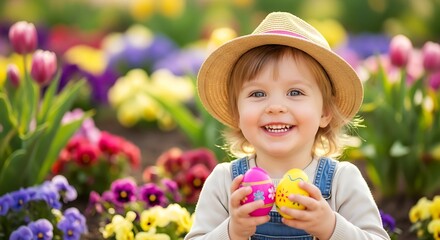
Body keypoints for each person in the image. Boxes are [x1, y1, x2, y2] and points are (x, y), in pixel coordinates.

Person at [185, 12, 389, 240]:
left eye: (295, 92)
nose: (275, 107)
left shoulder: (342, 181)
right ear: (238, 114)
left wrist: (331, 227)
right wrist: (232, 232)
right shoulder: (225, 183)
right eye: (258, 93)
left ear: (325, 112)